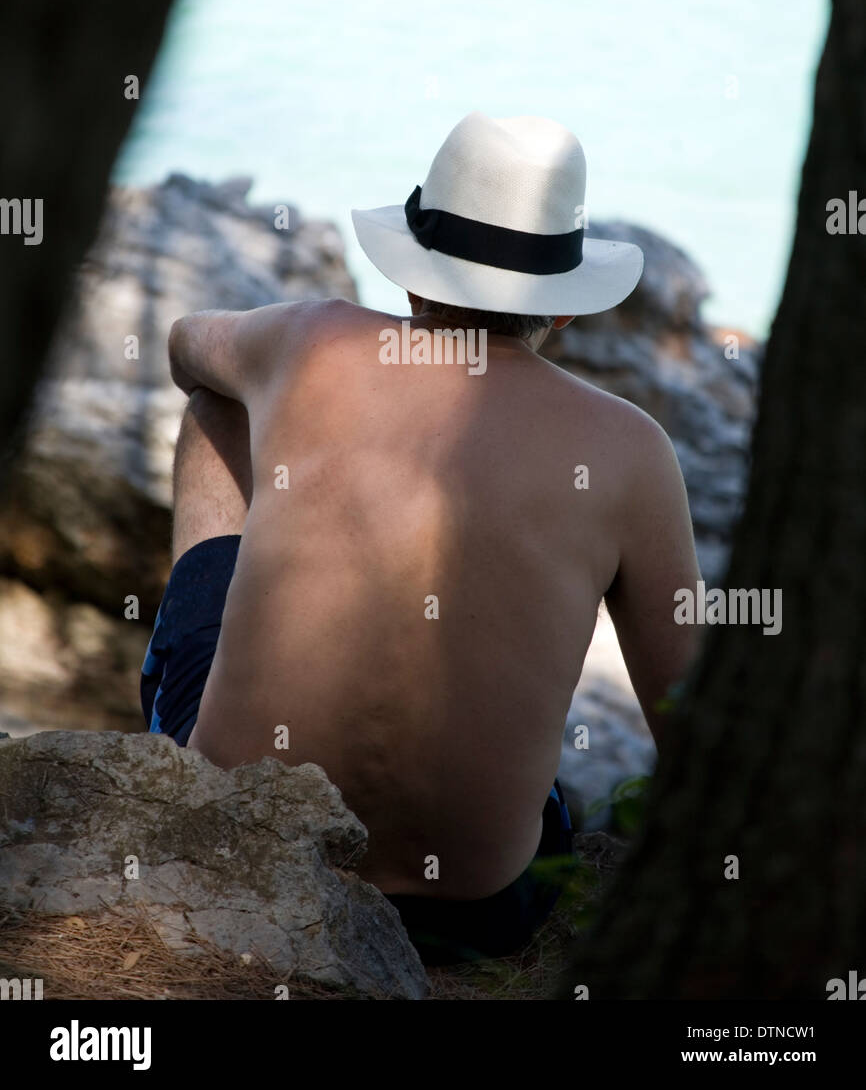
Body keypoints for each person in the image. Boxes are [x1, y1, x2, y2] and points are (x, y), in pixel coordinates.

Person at [141, 111, 701, 963]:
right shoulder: (631, 449)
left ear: (410, 280)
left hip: (236, 835)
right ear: (565, 317)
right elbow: (691, 718)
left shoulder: (311, 339)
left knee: (214, 402)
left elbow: (188, 346)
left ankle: (199, 717)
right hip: (478, 911)